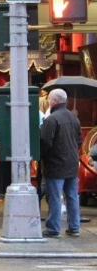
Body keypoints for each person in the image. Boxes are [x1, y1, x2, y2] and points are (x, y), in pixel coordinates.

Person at [40, 88, 82, 238]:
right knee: (72, 196)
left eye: (49, 99)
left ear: (55, 101)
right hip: (71, 162)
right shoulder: (74, 117)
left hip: (55, 163)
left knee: (55, 196)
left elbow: (45, 142)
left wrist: (42, 157)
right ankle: (74, 227)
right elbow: (79, 140)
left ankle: (53, 228)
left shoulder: (51, 119)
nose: (48, 102)